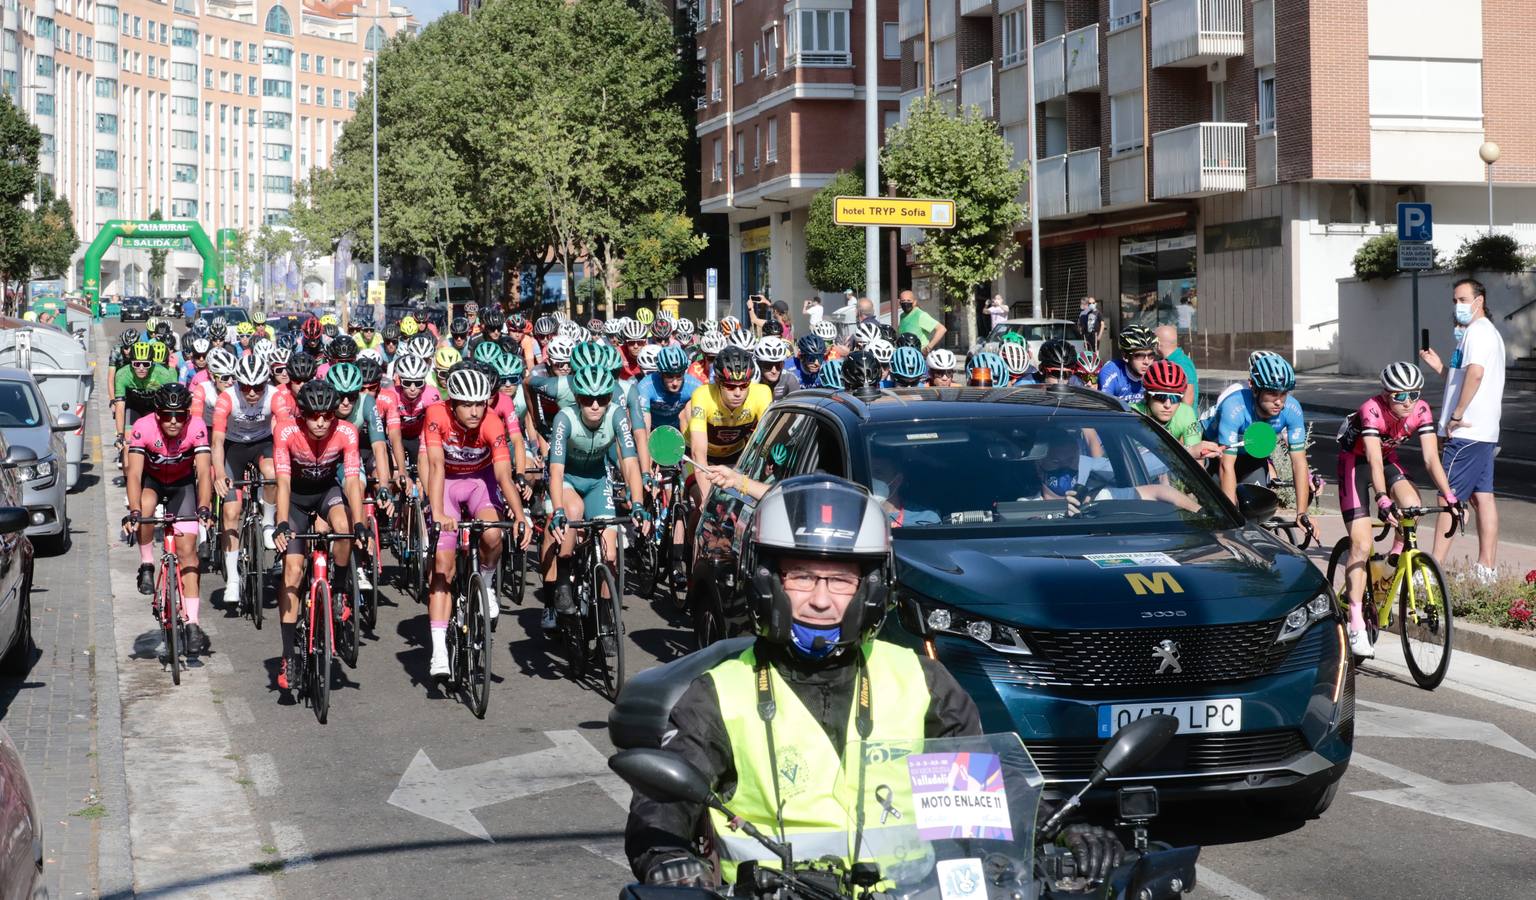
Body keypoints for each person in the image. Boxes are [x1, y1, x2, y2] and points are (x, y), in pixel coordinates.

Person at [625, 475, 1122, 888]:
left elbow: (982, 786)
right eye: (801, 577)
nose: (821, 600)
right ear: (766, 583)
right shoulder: (720, 695)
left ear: (871, 590)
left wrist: (1066, 828)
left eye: (840, 581)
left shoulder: (919, 681)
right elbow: (664, 804)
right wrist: (666, 856)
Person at [1336, 362, 1459, 657]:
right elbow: (1374, 462)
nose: (1407, 402)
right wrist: (1381, 498)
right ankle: (1355, 624)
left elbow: (1431, 459)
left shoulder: (1421, 410)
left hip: (1387, 460)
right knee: (1362, 544)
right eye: (1399, 395)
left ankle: (1389, 565)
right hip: (1356, 464)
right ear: (1386, 394)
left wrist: (1450, 497)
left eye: (1413, 394)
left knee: (1413, 506)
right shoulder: (1372, 409)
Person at [424, 367, 531, 673]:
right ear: (452, 402)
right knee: (443, 566)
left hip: (479, 482)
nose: (474, 411)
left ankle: (484, 581)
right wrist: (439, 514)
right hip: (446, 483)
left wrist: (521, 515)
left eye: (480, 403)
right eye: (467, 404)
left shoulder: (493, 422)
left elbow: (503, 476)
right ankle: (439, 650)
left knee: (494, 534)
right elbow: (434, 465)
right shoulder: (436, 414)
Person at [271, 381, 368, 692]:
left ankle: (338, 589)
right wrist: (283, 523)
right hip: (297, 499)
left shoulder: (346, 433)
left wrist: (361, 522)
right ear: (302, 415)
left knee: (344, 527)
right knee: (293, 571)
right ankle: (289, 656)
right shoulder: (286, 432)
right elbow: (283, 484)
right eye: (314, 416)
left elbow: (352, 482)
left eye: (327, 416)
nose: (321, 422)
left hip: (327, 492)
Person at [1420, 277, 1505, 583]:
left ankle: (1432, 572)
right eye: (1454, 301)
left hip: (1467, 431)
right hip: (1482, 431)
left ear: (1479, 301)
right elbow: (1463, 380)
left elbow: (1477, 374)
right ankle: (1486, 569)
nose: (1457, 306)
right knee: (1483, 497)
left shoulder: (1478, 332)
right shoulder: (1482, 334)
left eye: (1462, 300)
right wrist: (1441, 368)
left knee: (1447, 497)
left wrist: (1455, 416)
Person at [122, 384, 215, 653]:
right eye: (166, 415)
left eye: (179, 415)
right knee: (146, 507)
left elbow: (204, 473)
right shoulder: (143, 426)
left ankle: (193, 622)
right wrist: (134, 512)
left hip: (183, 486)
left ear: (187, 414)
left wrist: (205, 507)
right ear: (156, 413)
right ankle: (147, 564)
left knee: (188, 553)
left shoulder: (196, 427)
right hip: (153, 482)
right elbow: (135, 475)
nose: (173, 421)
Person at [1206, 353, 1312, 522]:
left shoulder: (1292, 409)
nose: (1279, 401)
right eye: (1271, 393)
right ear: (1254, 388)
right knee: (1221, 512)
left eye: (1283, 393)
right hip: (1216, 455)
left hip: (1250, 455)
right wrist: (1231, 512)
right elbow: (1226, 465)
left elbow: (1299, 462)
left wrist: (1302, 513)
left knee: (1257, 510)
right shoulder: (1234, 407)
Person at [1132, 361, 1216, 457]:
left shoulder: (1185, 413)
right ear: (1147, 396)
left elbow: (1196, 456)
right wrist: (1188, 452)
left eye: (1175, 398)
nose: (1168, 405)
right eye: (1160, 397)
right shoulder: (1132, 414)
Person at [1096, 325, 1156, 404]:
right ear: (1125, 356)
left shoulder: (1155, 372)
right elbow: (1105, 409)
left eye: (1151, 356)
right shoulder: (1111, 372)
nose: (1147, 362)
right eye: (1139, 356)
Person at [1154, 324, 1197, 406]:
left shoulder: (1181, 364)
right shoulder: (1174, 361)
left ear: (1158, 344)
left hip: (1181, 418)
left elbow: (1187, 402)